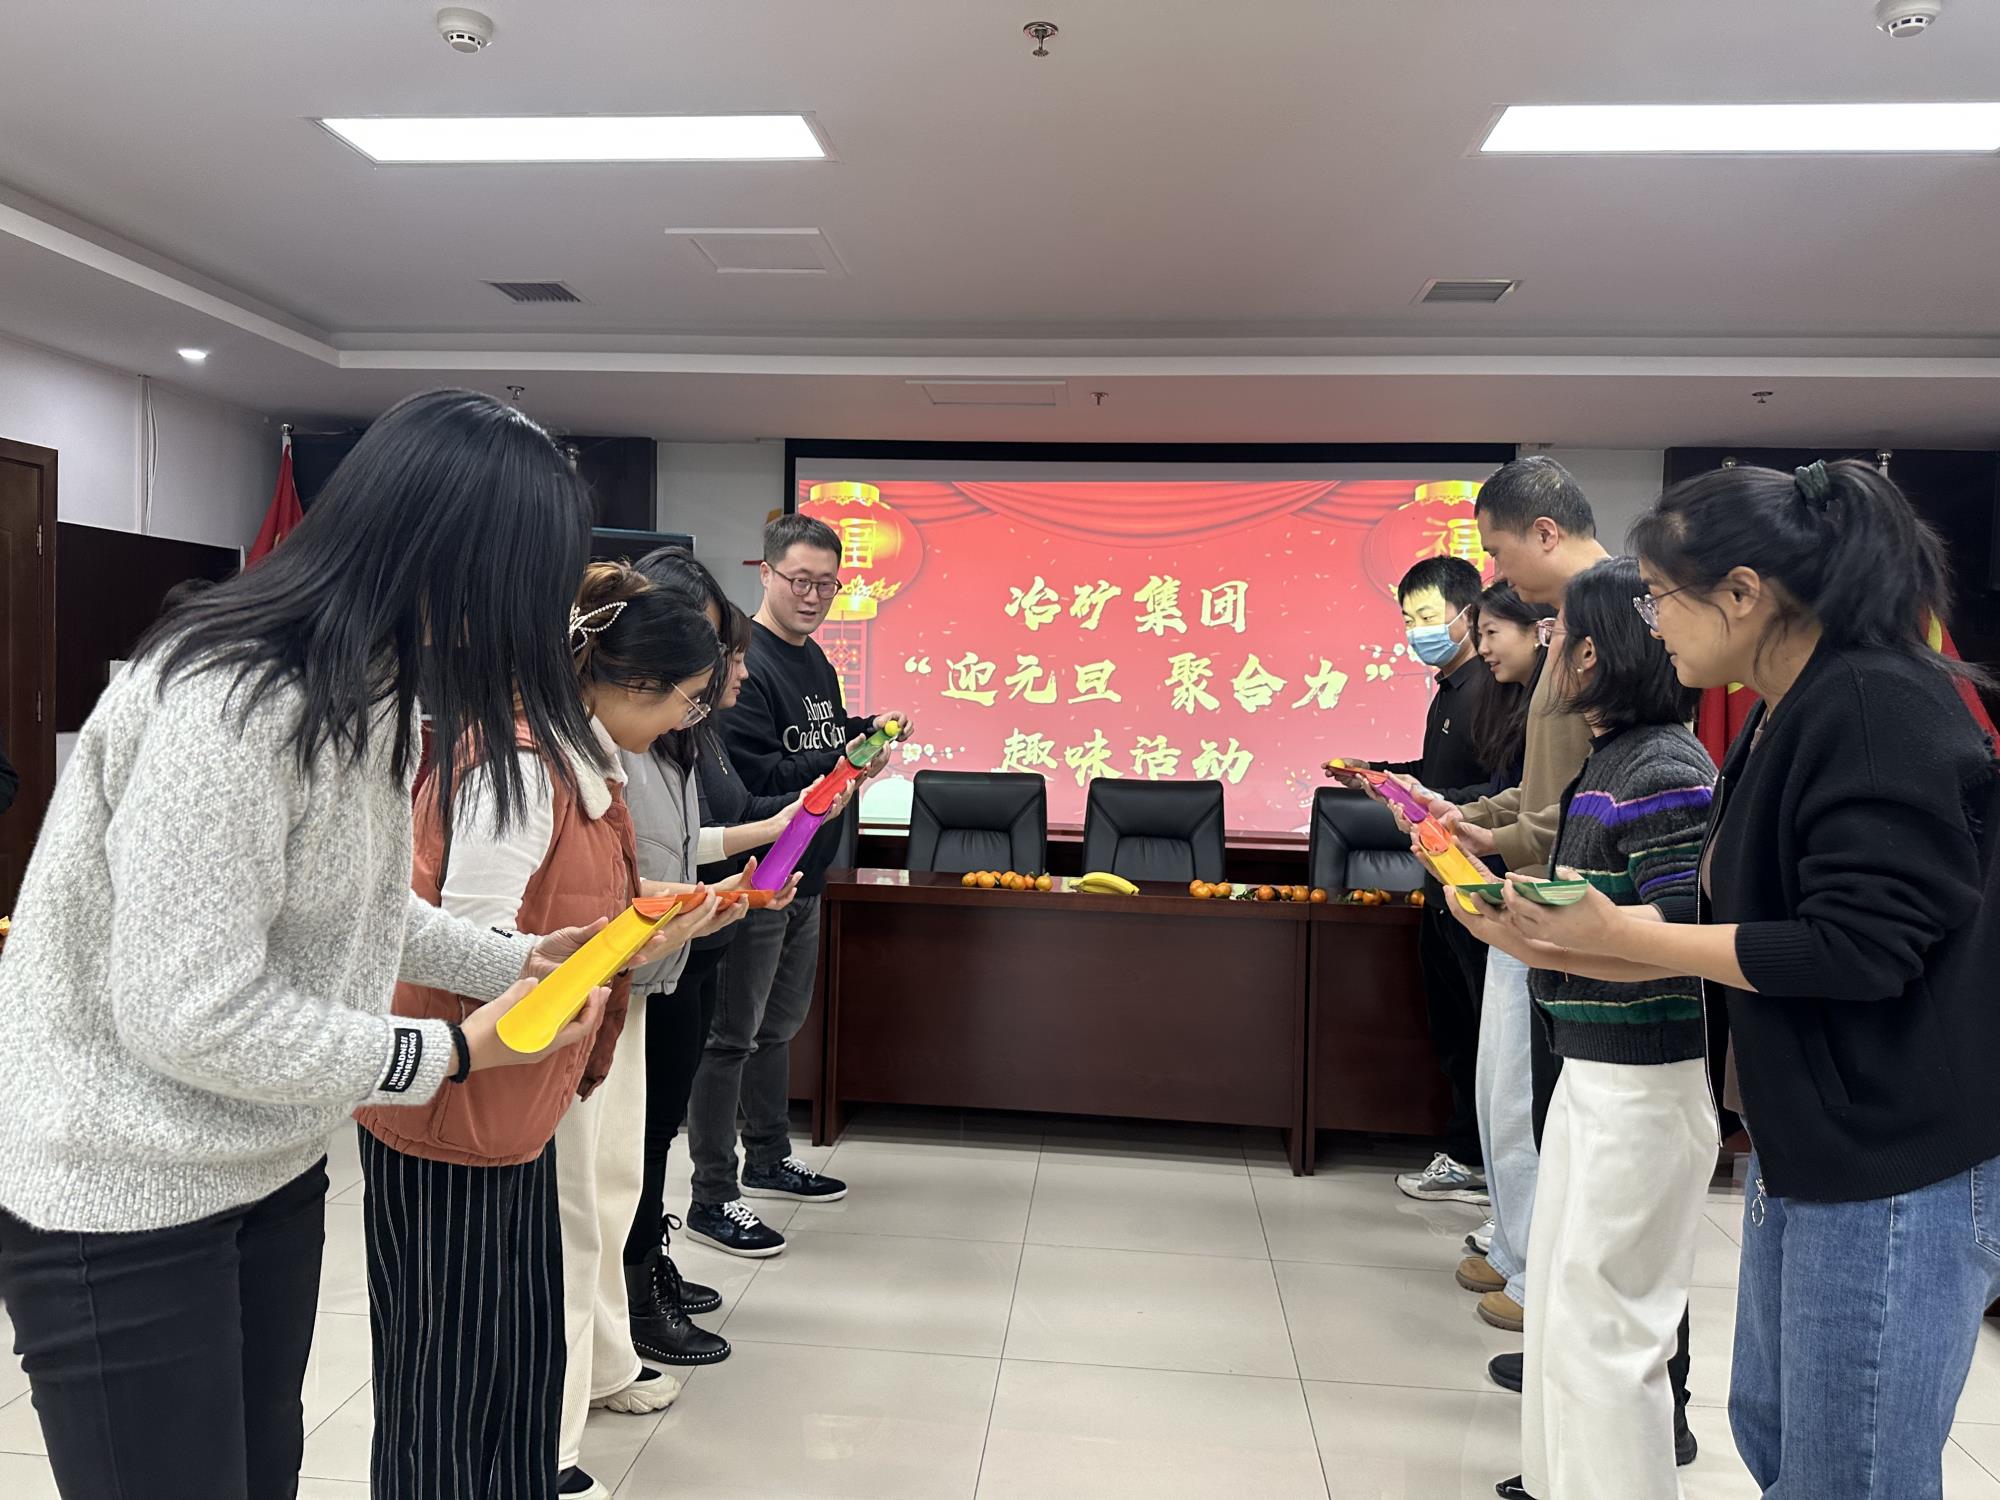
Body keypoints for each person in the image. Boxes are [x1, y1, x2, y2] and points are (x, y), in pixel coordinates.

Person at [0, 388, 653, 1500]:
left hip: (268, 1164)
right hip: (123, 1189)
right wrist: (450, 1053)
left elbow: (361, 905)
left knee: (264, 1474)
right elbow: (189, 1012)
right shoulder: (235, 696)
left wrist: (516, 963)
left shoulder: (375, 691)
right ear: (449, 555)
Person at [1504, 458, 2000, 1500]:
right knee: (1778, 1436)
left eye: (1658, 597)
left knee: (1846, 1470)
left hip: (1891, 1153)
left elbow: (1854, 948)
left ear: (1742, 592)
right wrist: (1566, 943)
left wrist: (1617, 934)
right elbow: (1737, 920)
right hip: (1809, 1133)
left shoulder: (1872, 704)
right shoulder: (1790, 708)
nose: (1650, 625)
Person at [355, 561, 744, 1500]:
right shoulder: (524, 767)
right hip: (460, 1105)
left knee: (520, 1349)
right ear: (633, 684)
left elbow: (559, 919)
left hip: (520, 1099)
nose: (687, 719)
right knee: (449, 1373)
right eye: (688, 699)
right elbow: (469, 944)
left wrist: (654, 923)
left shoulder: (576, 761)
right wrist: (611, 947)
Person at [1447, 557, 1715, 1500]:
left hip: (1644, 1081)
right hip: (1593, 1063)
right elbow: (1597, 924)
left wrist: (1542, 934)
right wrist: (1510, 921)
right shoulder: (1610, 760)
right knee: (1565, 1310)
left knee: (1609, 1332)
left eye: (1558, 631)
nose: (1545, 646)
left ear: (1592, 654)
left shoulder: (1666, 768)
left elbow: (1682, 939)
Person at [617, 546, 838, 1365]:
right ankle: (634, 1293)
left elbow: (693, 842)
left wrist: (764, 844)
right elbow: (622, 875)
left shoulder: (682, 738)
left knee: (649, 1137)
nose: (726, 673)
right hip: (639, 972)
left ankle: (645, 1271)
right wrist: (713, 893)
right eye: (717, 653)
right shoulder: (622, 744)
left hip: (686, 952)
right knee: (635, 1144)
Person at [684, 514, 907, 1256]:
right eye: (800, 580)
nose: (812, 596)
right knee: (730, 1037)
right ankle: (713, 1194)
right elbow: (751, 782)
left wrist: (863, 736)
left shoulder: (815, 661)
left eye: (826, 585)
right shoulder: (744, 663)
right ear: (766, 574)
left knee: (777, 1028)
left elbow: (823, 738)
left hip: (808, 870)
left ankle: (769, 1156)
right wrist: (841, 762)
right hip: (758, 873)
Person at [1430, 456, 1605, 1336]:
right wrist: (1473, 821)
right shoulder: (1569, 623)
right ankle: (1517, 1247)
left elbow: (1585, 797)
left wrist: (1500, 836)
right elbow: (1539, 787)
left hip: (1571, 908)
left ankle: (1542, 1275)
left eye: (1499, 551)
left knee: (1541, 1104)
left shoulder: (1611, 619)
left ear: (1544, 532)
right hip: (1527, 896)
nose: (1495, 573)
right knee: (1504, 1093)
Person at [1330, 555, 1500, 1205]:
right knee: (1454, 1026)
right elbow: (1434, 779)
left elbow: (1498, 793)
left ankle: (1487, 1165)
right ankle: (1467, 1155)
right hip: (1440, 883)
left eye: (1428, 616)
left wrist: (1427, 797)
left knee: (1485, 1031)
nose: (1416, 631)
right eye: (1407, 619)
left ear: (1469, 614)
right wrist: (1375, 775)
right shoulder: (1448, 689)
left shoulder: (1493, 689)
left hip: (1479, 884)